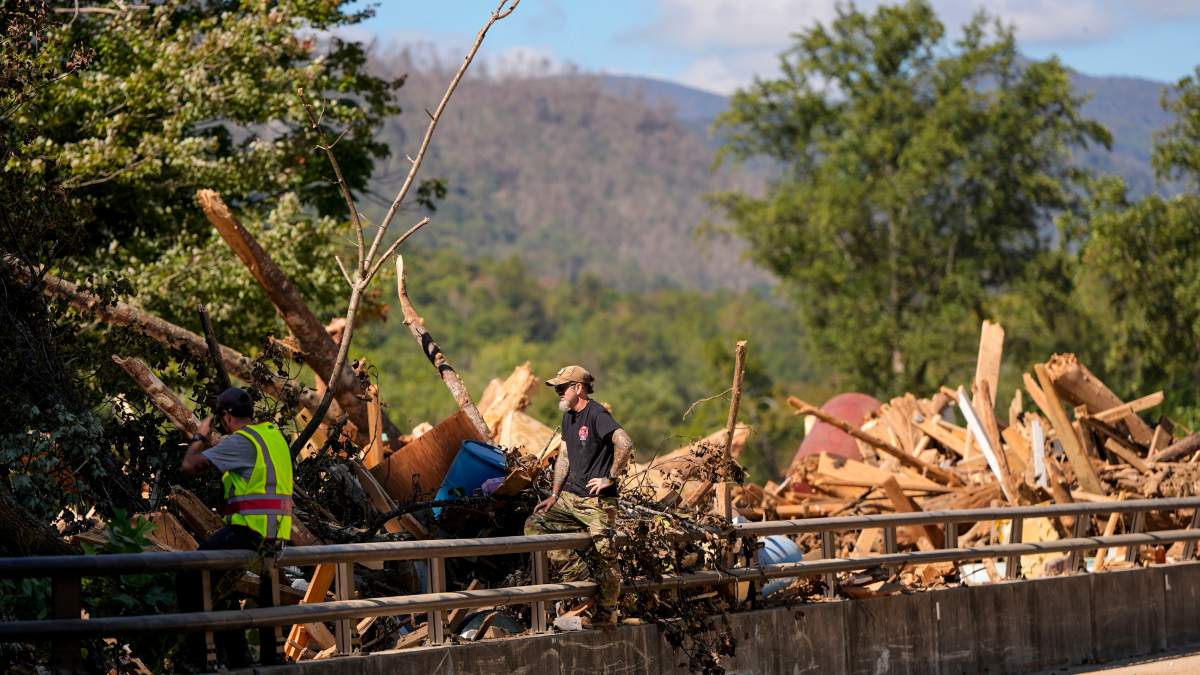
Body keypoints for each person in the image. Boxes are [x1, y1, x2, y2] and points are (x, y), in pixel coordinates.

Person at [176, 386, 294, 669]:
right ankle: (246, 659)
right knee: (221, 590)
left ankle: (201, 659)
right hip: (276, 533)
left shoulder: (240, 442)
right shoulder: (272, 436)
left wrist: (200, 437)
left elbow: (189, 465)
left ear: (227, 417)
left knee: (191, 574)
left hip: (250, 532)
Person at [524, 365, 635, 626]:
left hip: (597, 502)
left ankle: (606, 613)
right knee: (535, 524)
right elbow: (563, 457)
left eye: (562, 388)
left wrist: (611, 477)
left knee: (605, 555)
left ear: (578, 388)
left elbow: (625, 442)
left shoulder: (597, 414)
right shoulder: (569, 417)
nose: (558, 393)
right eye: (557, 389)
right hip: (570, 498)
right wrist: (554, 494)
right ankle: (581, 576)